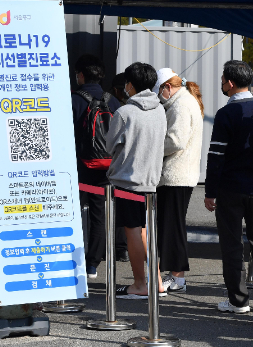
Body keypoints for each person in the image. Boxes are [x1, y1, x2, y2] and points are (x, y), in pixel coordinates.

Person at [204, 60, 253, 313]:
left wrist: (210, 191)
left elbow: (216, 156)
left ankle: (238, 301)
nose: (222, 83)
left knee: (232, 244)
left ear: (231, 83)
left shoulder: (226, 114)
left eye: (223, 80)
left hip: (230, 188)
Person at [107, 62, 168, 299]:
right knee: (143, 231)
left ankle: (140, 283)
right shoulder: (160, 110)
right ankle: (157, 281)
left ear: (130, 85)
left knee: (132, 231)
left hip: (127, 180)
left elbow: (110, 145)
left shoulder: (124, 112)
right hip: (151, 180)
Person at [71, 54, 123, 278]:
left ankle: (71, 261)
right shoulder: (113, 101)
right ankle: (92, 264)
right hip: (106, 166)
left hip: (79, 166)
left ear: (81, 75)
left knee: (72, 212)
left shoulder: (73, 99)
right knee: (98, 214)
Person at [153, 68, 204, 294]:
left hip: (176, 175)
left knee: (172, 228)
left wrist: (152, 148)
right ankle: (175, 275)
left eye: (159, 92)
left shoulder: (181, 104)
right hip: (181, 174)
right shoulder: (185, 100)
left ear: (167, 88)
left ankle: (177, 277)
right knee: (174, 227)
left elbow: (175, 140)